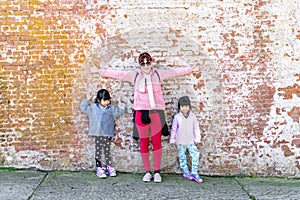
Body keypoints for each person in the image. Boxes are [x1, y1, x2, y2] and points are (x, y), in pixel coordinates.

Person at [99, 52, 200, 182]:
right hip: (141, 113)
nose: (146, 66)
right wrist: (101, 71)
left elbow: (174, 72)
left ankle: (157, 172)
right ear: (139, 64)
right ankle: (147, 171)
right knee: (144, 143)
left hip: (156, 113)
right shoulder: (135, 75)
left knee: (157, 142)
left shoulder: (158, 74)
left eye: (148, 63)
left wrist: (191, 69)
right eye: (143, 63)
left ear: (151, 62)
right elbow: (118, 74)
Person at [80, 89, 125, 178]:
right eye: (104, 100)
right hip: (97, 133)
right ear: (99, 100)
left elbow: (120, 111)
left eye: (108, 100)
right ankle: (99, 167)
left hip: (107, 133)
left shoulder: (111, 108)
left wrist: (120, 102)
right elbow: (83, 107)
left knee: (107, 150)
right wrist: (88, 99)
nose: (107, 102)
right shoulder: (93, 107)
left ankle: (108, 166)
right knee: (98, 151)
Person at [169, 96, 203, 183]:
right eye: (182, 106)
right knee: (182, 156)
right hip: (180, 140)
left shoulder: (193, 116)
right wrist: (172, 139)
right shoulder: (177, 117)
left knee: (195, 154)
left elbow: (196, 128)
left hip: (190, 140)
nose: (185, 108)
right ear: (179, 107)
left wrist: (197, 138)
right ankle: (186, 171)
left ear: (189, 106)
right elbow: (174, 129)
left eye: (186, 106)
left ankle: (194, 172)